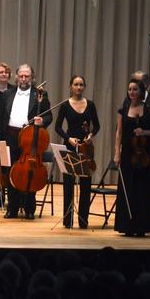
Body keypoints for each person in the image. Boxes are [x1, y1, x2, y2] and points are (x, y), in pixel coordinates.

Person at [0, 64, 52, 220]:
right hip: (10, 136)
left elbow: (49, 116)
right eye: (21, 76)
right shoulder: (7, 94)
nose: (23, 79)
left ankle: (29, 209)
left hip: (30, 137)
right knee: (11, 173)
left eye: (26, 76)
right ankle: (12, 208)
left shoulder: (40, 94)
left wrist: (42, 121)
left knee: (30, 171)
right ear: (16, 77)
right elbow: (1, 119)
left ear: (32, 78)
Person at [113, 78, 150, 236]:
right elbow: (119, 133)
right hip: (128, 154)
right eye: (130, 89)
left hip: (145, 155)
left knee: (143, 190)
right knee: (128, 189)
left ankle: (142, 227)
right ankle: (127, 226)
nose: (132, 92)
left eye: (135, 89)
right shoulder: (122, 110)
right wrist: (117, 153)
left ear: (141, 91)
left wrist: (144, 132)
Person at [54, 75, 100, 228]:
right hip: (70, 145)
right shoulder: (65, 105)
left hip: (86, 147)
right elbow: (58, 127)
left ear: (84, 86)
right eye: (76, 84)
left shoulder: (90, 104)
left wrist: (90, 135)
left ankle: (83, 220)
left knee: (86, 184)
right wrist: (68, 139)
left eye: (81, 84)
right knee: (68, 183)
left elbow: (97, 126)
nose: (79, 87)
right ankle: (68, 220)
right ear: (70, 86)